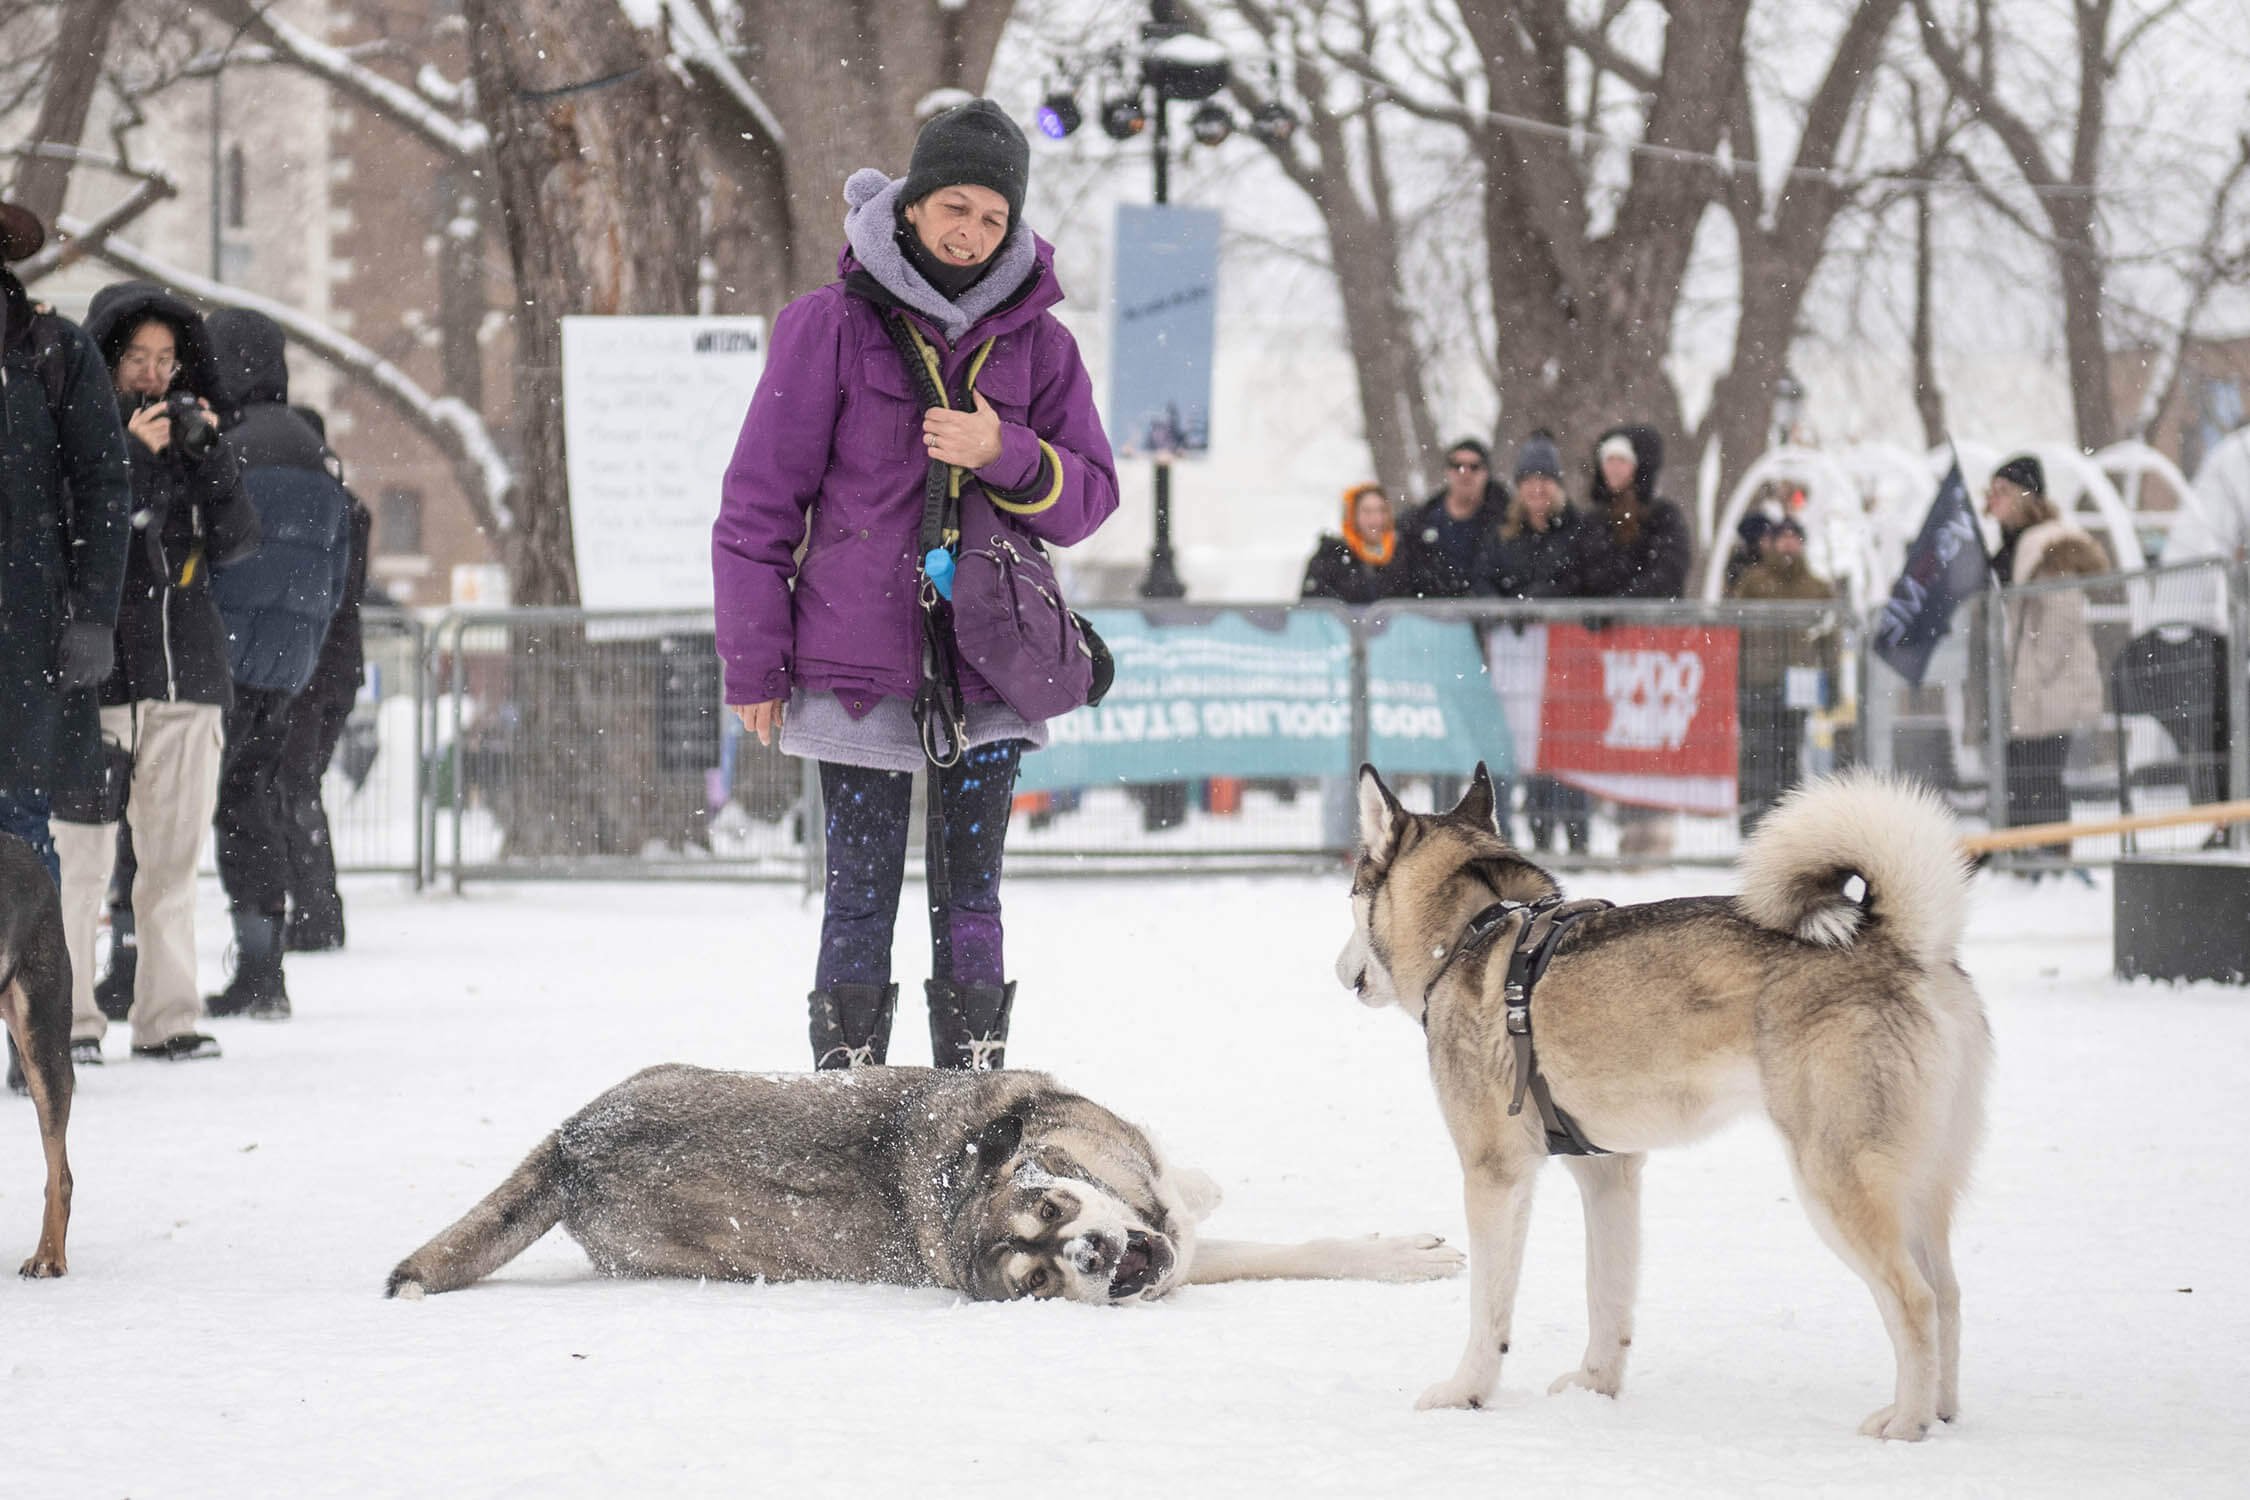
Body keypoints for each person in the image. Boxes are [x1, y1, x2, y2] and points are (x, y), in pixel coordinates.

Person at [713, 99, 1118, 1071]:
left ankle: (970, 1105)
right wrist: (754, 667)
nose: (971, 232)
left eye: (992, 217)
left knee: (972, 894)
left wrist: (1004, 449)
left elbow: (1090, 498)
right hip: (855, 665)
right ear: (913, 205)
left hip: (992, 667)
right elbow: (758, 508)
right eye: (956, 208)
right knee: (858, 892)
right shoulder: (829, 328)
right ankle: (848, 1109)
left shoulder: (1041, 348)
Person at [51, 281, 258, 1065]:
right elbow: (79, 533)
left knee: (171, 865)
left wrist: (209, 459)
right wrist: (129, 459)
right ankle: (65, 1022)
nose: (151, 373)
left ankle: (168, 1017)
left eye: (166, 358)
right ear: (107, 357)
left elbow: (238, 542)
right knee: (79, 860)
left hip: (187, 679)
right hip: (95, 686)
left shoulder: (200, 438)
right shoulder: (73, 442)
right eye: (137, 356)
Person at [1, 200, 133, 1089]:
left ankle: (36, 1030)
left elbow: (104, 480)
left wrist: (93, 613)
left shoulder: (53, 352)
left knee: (18, 834)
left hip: (27, 638)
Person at [200, 308, 354, 1018]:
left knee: (167, 807)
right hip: (287, 663)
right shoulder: (314, 452)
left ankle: (133, 965)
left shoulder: (227, 446)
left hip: (215, 657)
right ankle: (265, 967)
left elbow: (214, 553)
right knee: (250, 805)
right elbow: (336, 570)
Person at [276, 404, 373, 953]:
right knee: (300, 787)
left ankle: (315, 910)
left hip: (313, 667)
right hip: (338, 667)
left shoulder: (323, 510)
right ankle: (318, 907)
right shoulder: (348, 506)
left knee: (293, 787)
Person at [1983, 454, 2107, 870]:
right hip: (2031, 683)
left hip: (2047, 686)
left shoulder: (2045, 542)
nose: (1992, 502)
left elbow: (2061, 615)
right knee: (2025, 773)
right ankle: (2031, 852)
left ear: (2025, 496)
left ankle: (2049, 856)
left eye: (2001, 492)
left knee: (2040, 774)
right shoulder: (2015, 544)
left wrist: (2035, 673)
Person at [1477, 431, 1595, 854]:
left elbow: (1581, 579)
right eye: (1529, 479)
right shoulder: (1504, 535)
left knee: (1566, 744)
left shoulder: (1576, 531)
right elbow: (1483, 579)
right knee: (1523, 743)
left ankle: (1578, 833)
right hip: (1516, 656)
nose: (1537, 488)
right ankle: (1540, 831)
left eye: (1545, 479)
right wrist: (1500, 606)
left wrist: (1541, 600)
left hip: (1562, 654)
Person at [1581, 424, 1692, 860]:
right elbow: (1582, 573)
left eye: (1622, 461)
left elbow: (1668, 572)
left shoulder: (1663, 516)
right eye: (1607, 460)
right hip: (1603, 653)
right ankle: (1623, 832)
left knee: (1648, 733)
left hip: (1653, 649)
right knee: (1611, 733)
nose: (1614, 470)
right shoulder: (1591, 521)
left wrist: (1619, 604)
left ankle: (1654, 832)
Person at [1728, 516, 1839, 835]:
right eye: (1783, 538)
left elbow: (1829, 638)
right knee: (1756, 753)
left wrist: (1832, 681)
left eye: (1795, 537)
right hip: (1757, 681)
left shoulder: (1817, 587)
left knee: (1789, 756)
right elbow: (1733, 630)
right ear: (1772, 543)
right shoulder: (1753, 581)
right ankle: (1752, 822)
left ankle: (1786, 824)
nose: (1789, 544)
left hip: (1797, 685)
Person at [1399, 436, 1510, 600]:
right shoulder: (1417, 523)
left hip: (1487, 618)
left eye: (1474, 467)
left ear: (1486, 473)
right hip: (1429, 617)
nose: (1464, 473)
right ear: (1447, 472)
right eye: (1457, 466)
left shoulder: (1507, 523)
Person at [1300, 483, 1409, 605]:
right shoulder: (1329, 557)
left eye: (1382, 511)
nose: (1377, 519)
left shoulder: (1404, 555)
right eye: (1367, 512)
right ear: (1352, 516)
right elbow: (1313, 608)